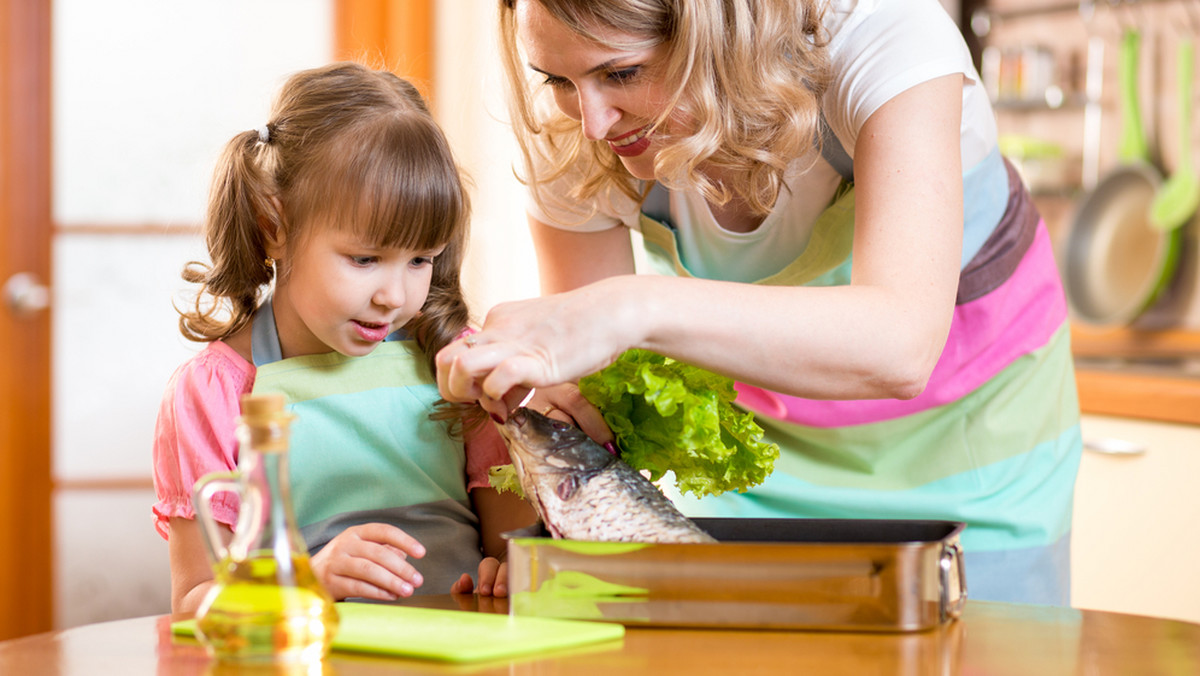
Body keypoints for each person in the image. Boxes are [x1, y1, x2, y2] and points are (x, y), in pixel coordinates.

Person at [436, 0, 1081, 605]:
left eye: (624, 72)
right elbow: (603, 390)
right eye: (556, 79)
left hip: (967, 456)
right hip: (754, 470)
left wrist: (630, 308)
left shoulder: (882, 40)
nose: (592, 120)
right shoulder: (582, 123)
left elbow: (901, 346)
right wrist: (548, 402)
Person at [152, 62, 535, 615]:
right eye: (365, 259)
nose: (394, 296)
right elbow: (194, 600)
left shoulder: (453, 361)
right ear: (273, 228)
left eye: (420, 259)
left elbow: (514, 550)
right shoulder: (213, 393)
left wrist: (509, 573)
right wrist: (305, 580)